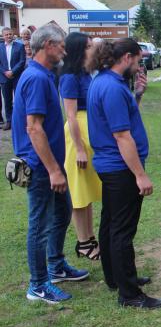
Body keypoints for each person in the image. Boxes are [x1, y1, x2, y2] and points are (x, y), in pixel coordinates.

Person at [12, 23, 89, 304]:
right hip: (42, 167)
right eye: (61, 46)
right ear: (48, 45)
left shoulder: (42, 75)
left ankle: (56, 267)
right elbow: (34, 128)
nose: (64, 51)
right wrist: (54, 169)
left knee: (62, 212)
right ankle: (39, 284)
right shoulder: (36, 78)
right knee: (40, 224)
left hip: (53, 165)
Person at [86, 38, 161, 309]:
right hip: (120, 168)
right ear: (127, 56)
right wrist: (140, 175)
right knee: (122, 231)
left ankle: (116, 278)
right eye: (139, 60)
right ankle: (129, 294)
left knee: (110, 224)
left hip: (110, 166)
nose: (140, 65)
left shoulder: (105, 81)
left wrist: (138, 95)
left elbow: (121, 120)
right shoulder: (112, 87)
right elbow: (121, 135)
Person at [59, 32, 103, 260]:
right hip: (77, 138)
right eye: (87, 47)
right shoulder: (69, 77)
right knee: (78, 192)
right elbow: (71, 115)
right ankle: (83, 242)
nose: (91, 50)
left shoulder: (86, 74)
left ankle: (90, 236)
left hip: (90, 134)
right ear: (78, 50)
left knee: (87, 191)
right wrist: (79, 149)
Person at [1, 27, 26, 130]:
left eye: (10, 34)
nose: (8, 36)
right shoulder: (0, 48)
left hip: (16, 77)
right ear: (3, 36)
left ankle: (19, 120)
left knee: (18, 99)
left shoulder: (19, 46)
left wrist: (13, 72)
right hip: (4, 78)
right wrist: (6, 72)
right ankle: (9, 121)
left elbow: (22, 61)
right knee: (7, 100)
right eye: (6, 34)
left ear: (12, 34)